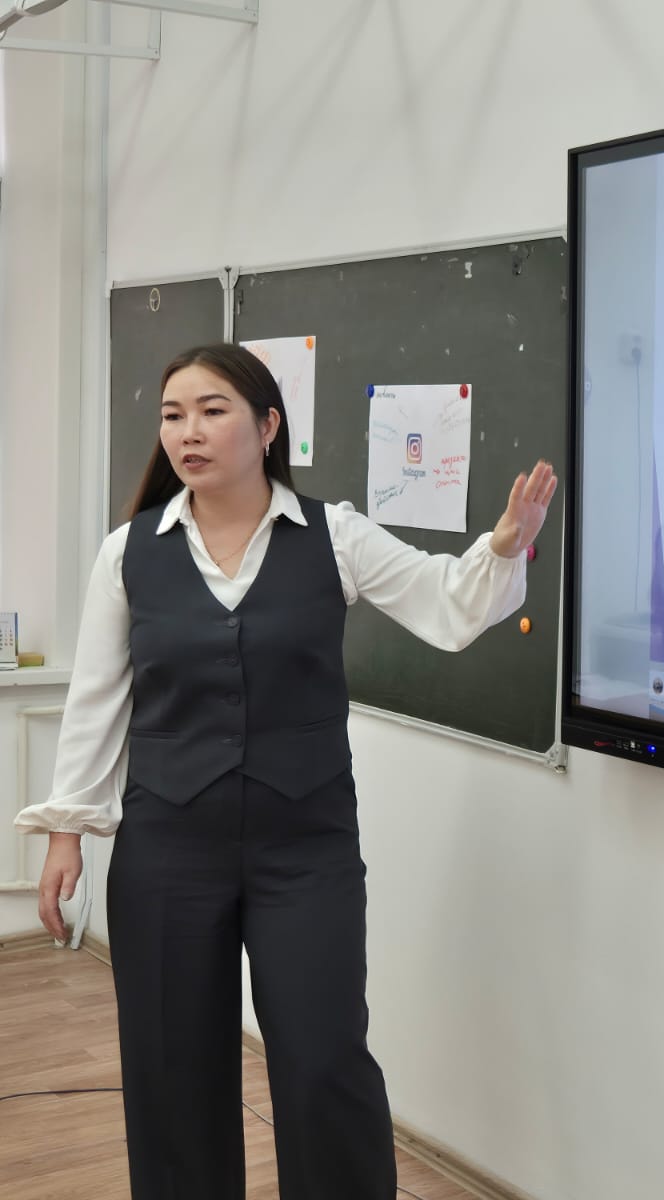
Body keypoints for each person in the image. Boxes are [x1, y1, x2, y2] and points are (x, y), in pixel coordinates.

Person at [20, 344, 556, 1200]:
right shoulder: (128, 553)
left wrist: (502, 546)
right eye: (173, 416)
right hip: (167, 849)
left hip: (305, 849)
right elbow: (95, 701)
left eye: (213, 411)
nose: (188, 433)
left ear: (268, 426)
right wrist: (66, 832)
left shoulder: (333, 536)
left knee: (323, 1062)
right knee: (172, 1071)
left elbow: (447, 605)